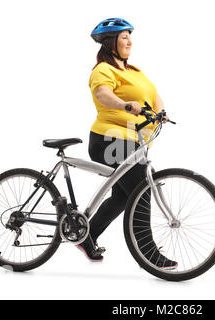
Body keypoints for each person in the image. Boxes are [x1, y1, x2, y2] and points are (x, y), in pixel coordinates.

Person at [76, 18, 178, 270]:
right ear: (110, 42)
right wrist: (124, 105)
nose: (130, 41)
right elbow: (103, 93)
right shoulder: (103, 69)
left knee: (124, 196)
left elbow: (153, 95)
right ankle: (148, 254)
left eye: (130, 37)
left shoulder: (134, 72)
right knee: (141, 191)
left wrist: (161, 111)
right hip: (111, 138)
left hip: (134, 142)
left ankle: (88, 235)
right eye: (124, 37)